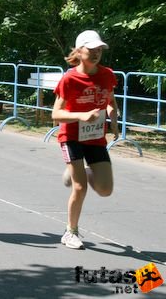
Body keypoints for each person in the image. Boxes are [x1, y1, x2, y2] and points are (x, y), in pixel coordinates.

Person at [51, 30, 119, 250]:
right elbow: (56, 114)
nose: (97, 53)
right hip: (71, 137)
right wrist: (80, 115)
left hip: (95, 137)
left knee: (105, 189)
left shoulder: (107, 75)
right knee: (80, 188)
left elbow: (110, 100)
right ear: (79, 51)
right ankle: (70, 232)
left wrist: (113, 119)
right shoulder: (70, 78)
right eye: (92, 49)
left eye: (99, 49)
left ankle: (81, 170)